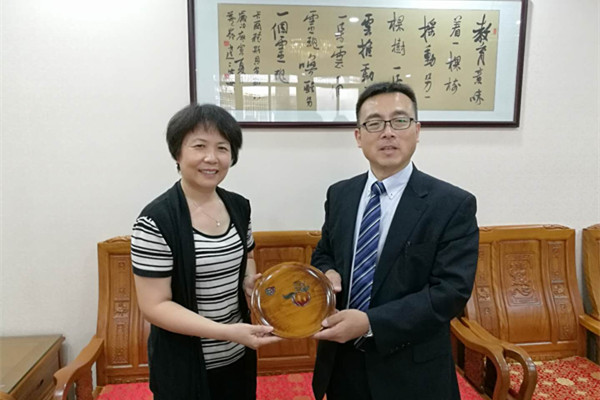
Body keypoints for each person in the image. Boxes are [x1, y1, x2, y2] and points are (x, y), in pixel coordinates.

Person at [311, 81, 479, 400]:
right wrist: (328, 272)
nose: (388, 133)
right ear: (358, 136)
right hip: (341, 363)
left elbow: (450, 292)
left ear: (417, 130)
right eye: (374, 123)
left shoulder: (452, 204)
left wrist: (370, 322)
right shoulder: (340, 195)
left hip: (412, 373)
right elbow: (325, 253)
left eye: (400, 121)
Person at [131, 103, 279, 400]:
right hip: (184, 366)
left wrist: (247, 281)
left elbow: (248, 256)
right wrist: (226, 332)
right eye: (199, 146)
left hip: (237, 356)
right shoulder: (155, 221)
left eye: (222, 148)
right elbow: (155, 306)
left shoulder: (239, 206)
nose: (212, 158)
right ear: (177, 153)